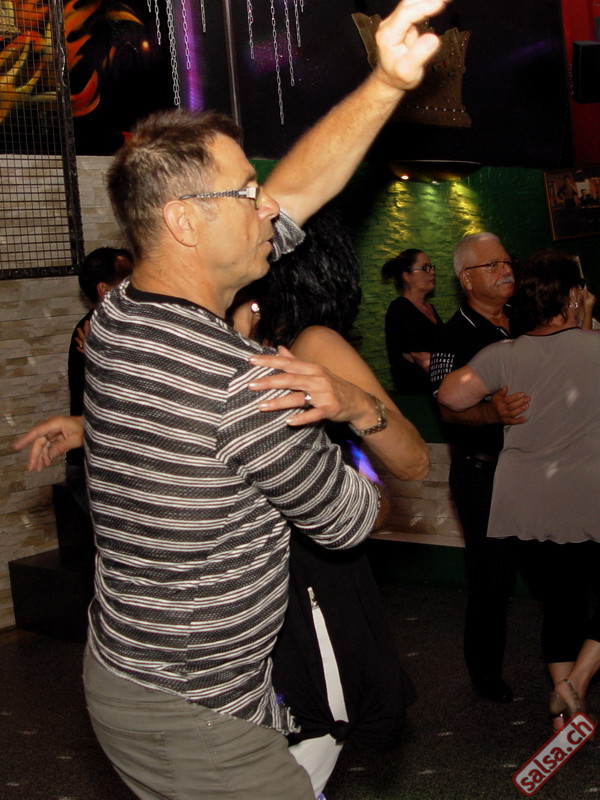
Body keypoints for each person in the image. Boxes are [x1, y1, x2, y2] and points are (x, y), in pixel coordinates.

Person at [14, 3, 446, 798]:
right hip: (199, 719)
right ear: (183, 221)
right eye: (246, 192)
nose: (268, 206)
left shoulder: (118, 315)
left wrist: (387, 81)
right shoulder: (248, 386)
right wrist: (358, 412)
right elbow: (358, 519)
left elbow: (296, 189)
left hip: (125, 669)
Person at [230, 211, 424, 796]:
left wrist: (356, 405)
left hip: (306, 573)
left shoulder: (312, 342)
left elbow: (413, 460)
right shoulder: (220, 334)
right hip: (238, 576)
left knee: (304, 742)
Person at [437, 249, 600, 730]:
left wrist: (493, 408)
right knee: (575, 599)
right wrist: (585, 322)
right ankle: (579, 679)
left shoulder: (503, 354)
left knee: (562, 602)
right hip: (588, 496)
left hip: (526, 503)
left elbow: (449, 396)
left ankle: (566, 712)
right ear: (573, 296)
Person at [429, 232, 530, 704]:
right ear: (467, 279)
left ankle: (570, 660)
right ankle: (485, 674)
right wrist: (491, 413)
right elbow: (445, 410)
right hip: (483, 474)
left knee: (565, 566)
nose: (506, 270)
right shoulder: (451, 336)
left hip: (540, 471)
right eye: (493, 265)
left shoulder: (528, 321)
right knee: (491, 579)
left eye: (507, 261)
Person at [66, 247, 133, 512]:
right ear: (104, 289)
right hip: (101, 467)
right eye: (130, 280)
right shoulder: (99, 329)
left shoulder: (111, 329)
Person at [382, 248, 442, 394]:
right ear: (407, 276)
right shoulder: (399, 309)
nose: (432, 272)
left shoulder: (430, 308)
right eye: (425, 268)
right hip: (417, 394)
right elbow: (420, 357)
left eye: (431, 267)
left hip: (437, 391)